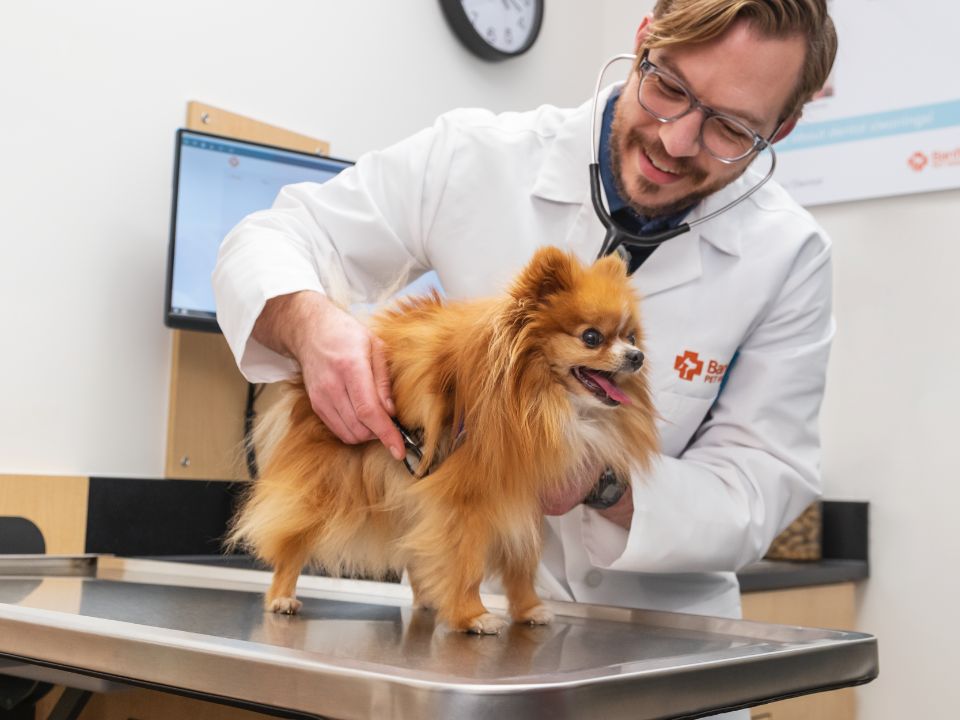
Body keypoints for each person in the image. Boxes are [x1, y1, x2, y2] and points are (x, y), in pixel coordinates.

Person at [214, 2, 837, 713]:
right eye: (668, 86)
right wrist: (311, 325)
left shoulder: (789, 257)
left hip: (656, 646)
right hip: (464, 637)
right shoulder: (474, 155)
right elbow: (273, 237)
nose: (676, 138)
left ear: (779, 129)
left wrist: (601, 485)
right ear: (642, 42)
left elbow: (763, 483)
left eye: (729, 128)